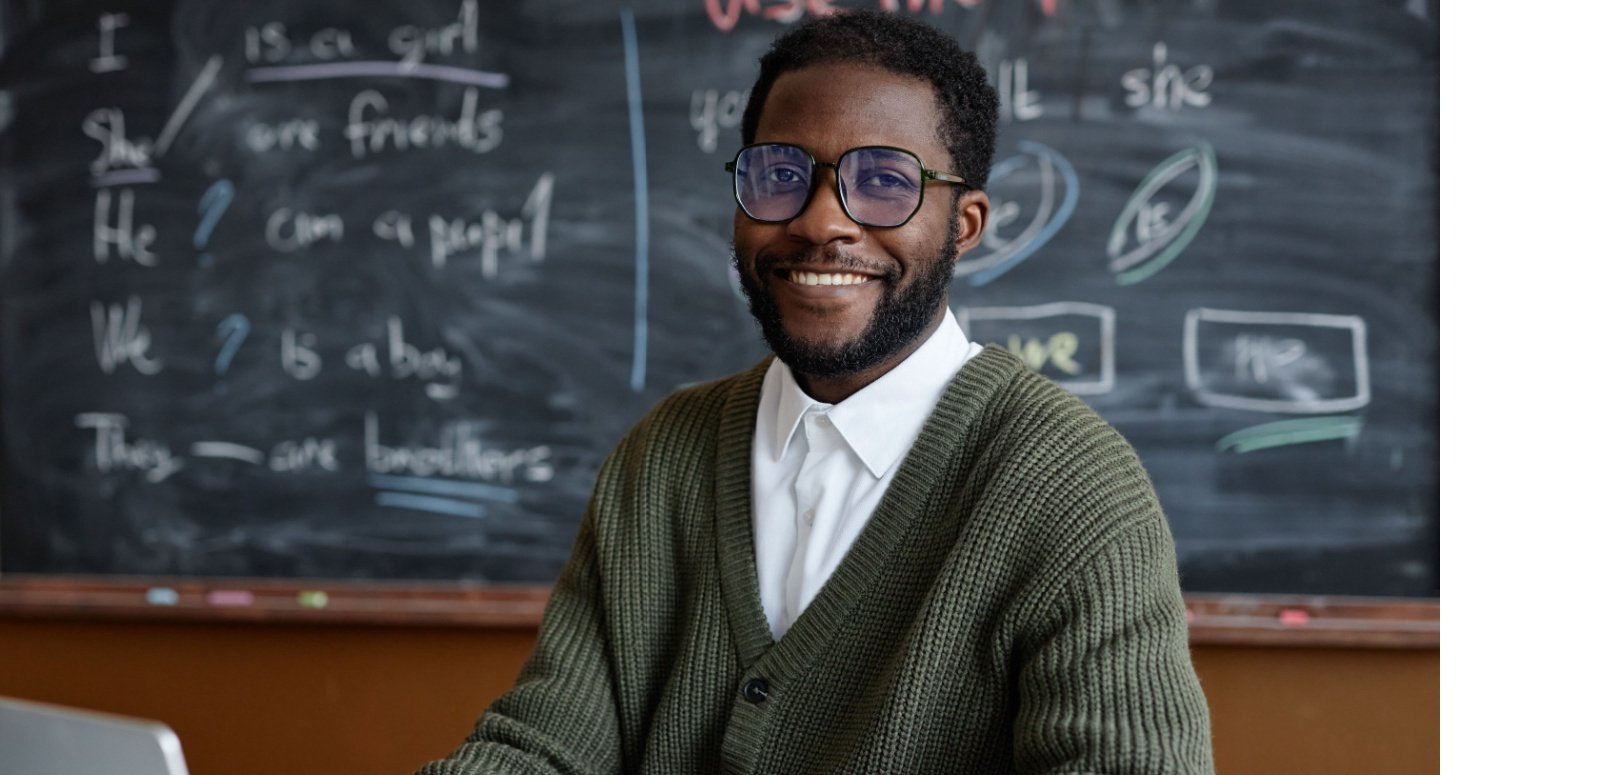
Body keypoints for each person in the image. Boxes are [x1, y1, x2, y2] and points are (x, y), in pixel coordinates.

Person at [419, 11, 1212, 774]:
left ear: (965, 224)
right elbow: (547, 744)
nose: (820, 222)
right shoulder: (663, 457)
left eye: (883, 181)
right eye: (780, 174)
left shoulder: (1071, 490)